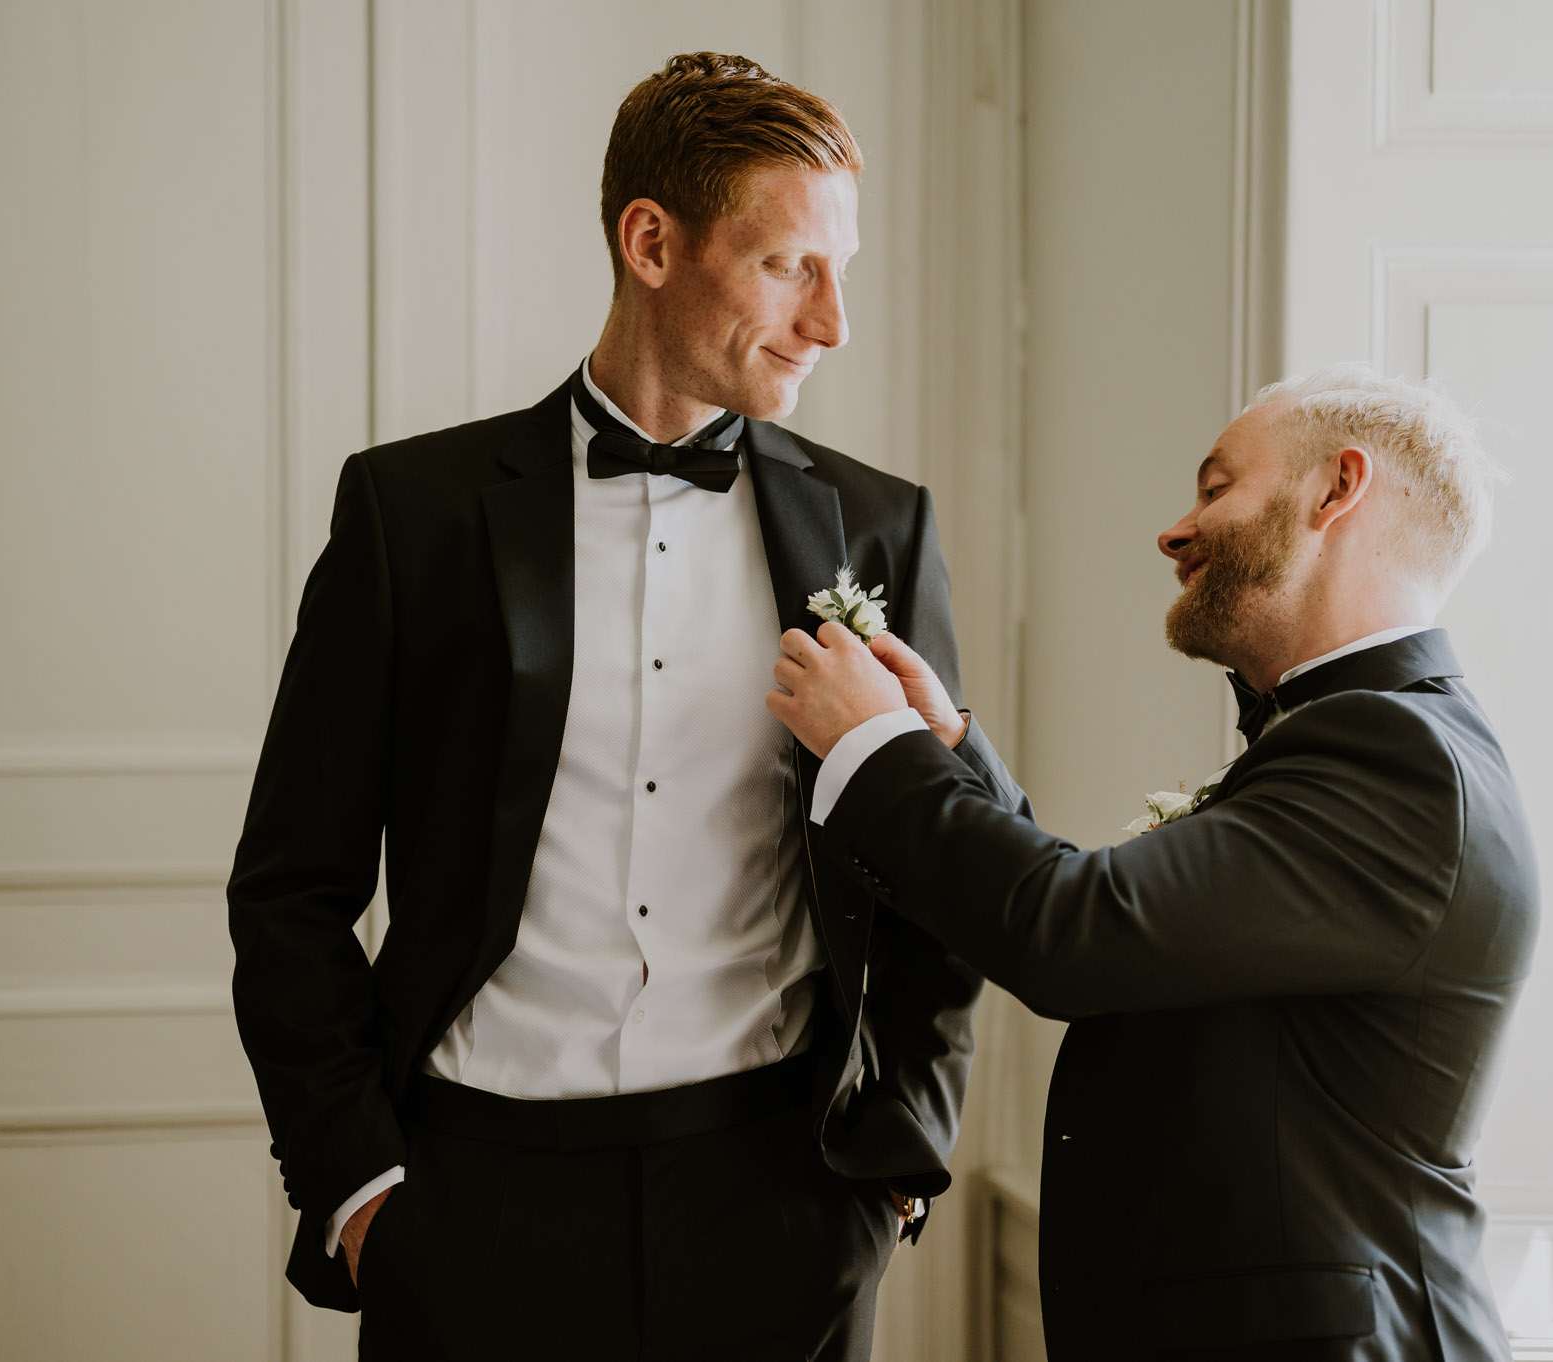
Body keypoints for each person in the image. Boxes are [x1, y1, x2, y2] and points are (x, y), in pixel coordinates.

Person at [227, 51, 1026, 1360]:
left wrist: (894, 1163)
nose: (832, 323)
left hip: (785, 1203)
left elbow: (938, 875)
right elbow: (288, 882)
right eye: (789, 268)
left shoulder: (877, 529)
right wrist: (361, 1185)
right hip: (475, 1200)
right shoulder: (411, 517)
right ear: (651, 242)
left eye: (844, 272)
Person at [769, 366, 1539, 1359]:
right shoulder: (1381, 736)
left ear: (1335, 490)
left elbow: (1073, 935)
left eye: (1216, 488)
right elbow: (1135, 930)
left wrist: (875, 753)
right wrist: (947, 748)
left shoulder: (1399, 761)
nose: (1175, 531)